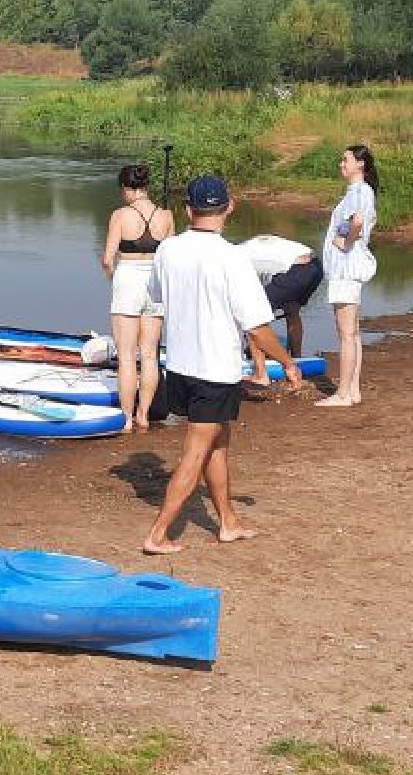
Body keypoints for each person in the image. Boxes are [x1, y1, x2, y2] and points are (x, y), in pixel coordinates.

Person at [141, 175, 305, 556]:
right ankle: (158, 534)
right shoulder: (233, 258)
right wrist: (288, 363)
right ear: (229, 207)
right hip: (214, 370)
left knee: (218, 442)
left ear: (188, 211)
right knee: (196, 452)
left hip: (180, 366)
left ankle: (228, 522)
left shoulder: (168, 250)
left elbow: (156, 295)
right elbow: (257, 329)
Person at [101, 162, 173, 432]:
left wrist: (112, 276)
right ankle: (144, 415)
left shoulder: (120, 215)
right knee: (150, 355)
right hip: (156, 283)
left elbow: (107, 259)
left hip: (128, 280)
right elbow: (170, 256)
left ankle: (127, 418)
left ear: (126, 188)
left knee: (127, 356)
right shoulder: (166, 215)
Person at [316, 145, 379, 408]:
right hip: (347, 268)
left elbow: (357, 221)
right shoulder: (359, 191)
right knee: (352, 332)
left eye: (346, 160)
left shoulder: (359, 191)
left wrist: (346, 241)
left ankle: (342, 393)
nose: (341, 164)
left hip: (346, 269)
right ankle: (352, 390)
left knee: (346, 332)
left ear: (360, 164)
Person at [238, 233, 320, 386]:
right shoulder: (246, 248)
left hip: (296, 270)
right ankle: (297, 357)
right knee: (292, 310)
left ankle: (261, 374)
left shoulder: (234, 260)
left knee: (254, 317)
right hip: (315, 266)